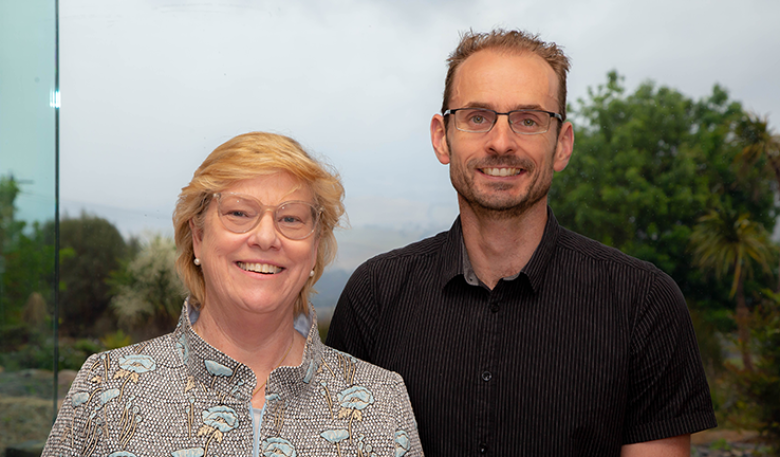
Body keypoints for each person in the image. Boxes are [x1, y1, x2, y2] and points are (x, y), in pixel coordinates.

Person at [326, 29, 717, 456]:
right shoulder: (375, 296)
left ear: (562, 145)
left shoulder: (643, 302)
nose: (501, 142)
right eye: (477, 117)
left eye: (528, 120)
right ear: (442, 137)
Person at [42, 132, 423, 457]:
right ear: (198, 236)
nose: (266, 237)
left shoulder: (382, 402)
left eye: (291, 218)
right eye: (240, 213)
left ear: (314, 248)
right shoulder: (107, 387)